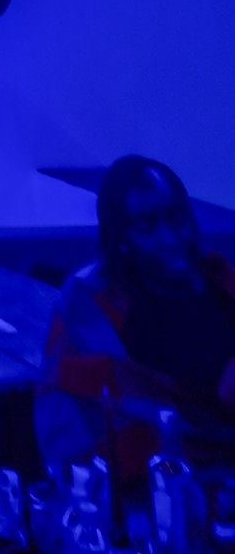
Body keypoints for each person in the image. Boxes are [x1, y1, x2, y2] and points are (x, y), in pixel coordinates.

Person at [37, 155, 235, 488]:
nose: (170, 239)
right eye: (147, 226)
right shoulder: (92, 306)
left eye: (177, 218)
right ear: (121, 238)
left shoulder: (222, 286)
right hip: (145, 493)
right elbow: (68, 415)